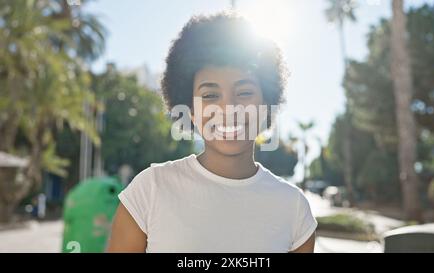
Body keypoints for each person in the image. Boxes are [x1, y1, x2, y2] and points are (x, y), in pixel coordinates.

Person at [107, 12, 317, 253]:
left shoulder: (294, 208)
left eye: (245, 93)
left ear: (265, 104)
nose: (228, 109)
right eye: (210, 95)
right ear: (191, 110)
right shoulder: (149, 191)